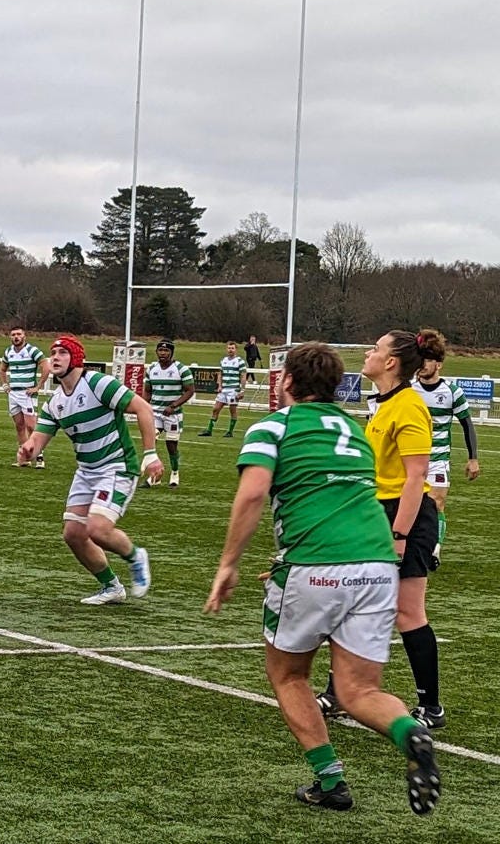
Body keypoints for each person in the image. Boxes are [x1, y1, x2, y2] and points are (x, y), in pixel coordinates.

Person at [204, 341, 440, 815]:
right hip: (376, 566)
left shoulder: (274, 425)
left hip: (316, 567)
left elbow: (252, 495)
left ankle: (331, 781)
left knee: (289, 675)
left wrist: (229, 564)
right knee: (359, 691)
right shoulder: (354, 429)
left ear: (287, 381)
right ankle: (409, 732)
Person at [317, 330, 447, 730]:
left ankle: (431, 707)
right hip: (374, 512)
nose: (368, 354)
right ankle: (340, 691)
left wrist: (399, 535)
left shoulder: (408, 406)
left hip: (403, 517)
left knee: (408, 613)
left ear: (391, 362)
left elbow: (415, 478)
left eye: (375, 349)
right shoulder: (384, 403)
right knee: (350, 603)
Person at [18, 335, 161, 604]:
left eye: (62, 352)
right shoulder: (55, 402)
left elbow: (143, 408)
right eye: (53, 353)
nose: (55, 358)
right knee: (73, 534)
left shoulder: (97, 383)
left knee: (97, 528)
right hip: (86, 471)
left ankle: (135, 556)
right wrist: (28, 449)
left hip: (116, 467)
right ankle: (112, 587)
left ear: (76, 359)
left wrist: (151, 454)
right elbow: (38, 440)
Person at [411, 330, 480, 561]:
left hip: (438, 460)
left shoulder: (452, 392)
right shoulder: (408, 390)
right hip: (410, 458)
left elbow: (467, 424)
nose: (423, 363)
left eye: (428, 359)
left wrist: (473, 458)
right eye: (421, 358)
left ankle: (434, 551)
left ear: (439, 364)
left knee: (436, 504)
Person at [144, 339, 194, 487]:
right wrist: (144, 407)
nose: (163, 353)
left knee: (171, 446)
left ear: (171, 353)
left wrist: (173, 406)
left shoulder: (181, 369)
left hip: (173, 414)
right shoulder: (152, 369)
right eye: (160, 350)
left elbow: (190, 391)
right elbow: (147, 391)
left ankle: (175, 472)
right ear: (156, 352)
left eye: (166, 351)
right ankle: (155, 476)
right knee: (151, 441)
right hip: (155, 413)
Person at [0, 326, 50, 468]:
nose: (16, 337)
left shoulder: (32, 350)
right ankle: (24, 457)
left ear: (24, 336)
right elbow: (2, 369)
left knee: (31, 426)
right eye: (13, 334)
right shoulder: (8, 352)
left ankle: (39, 457)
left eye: (19, 334)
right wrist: (4, 385)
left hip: (27, 393)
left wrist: (38, 386)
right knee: (19, 426)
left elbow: (46, 366)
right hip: (13, 393)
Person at [201, 341, 247, 438]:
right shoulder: (223, 360)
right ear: (227, 349)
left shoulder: (240, 361)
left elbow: (243, 375)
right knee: (216, 409)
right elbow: (220, 374)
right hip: (224, 389)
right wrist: (219, 386)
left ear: (236, 350)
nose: (230, 350)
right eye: (229, 348)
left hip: (233, 389)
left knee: (232, 410)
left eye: (232, 348)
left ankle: (230, 431)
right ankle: (209, 430)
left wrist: (242, 390)